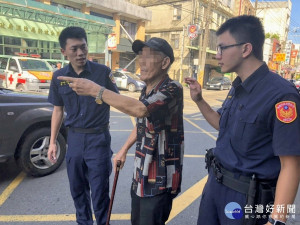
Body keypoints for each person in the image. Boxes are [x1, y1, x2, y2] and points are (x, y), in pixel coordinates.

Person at [185, 15, 300, 225]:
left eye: (222, 48)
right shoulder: (238, 86)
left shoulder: (282, 96)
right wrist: (200, 100)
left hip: (246, 198)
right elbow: (222, 125)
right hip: (215, 187)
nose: (217, 55)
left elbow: (291, 164)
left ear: (246, 49)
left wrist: (277, 220)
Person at [57, 37, 184, 225]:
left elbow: (140, 110)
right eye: (141, 56)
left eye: (149, 57)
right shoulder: (147, 90)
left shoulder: (173, 88)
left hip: (160, 180)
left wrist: (96, 90)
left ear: (165, 63)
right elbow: (142, 122)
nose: (141, 61)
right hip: (141, 175)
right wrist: (123, 150)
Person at [47, 26, 119, 225]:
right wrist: (52, 142)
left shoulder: (102, 73)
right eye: (74, 49)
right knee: (78, 191)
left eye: (83, 47)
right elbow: (58, 110)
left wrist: (97, 91)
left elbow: (116, 100)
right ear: (64, 52)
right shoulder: (59, 77)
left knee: (100, 192)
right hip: (75, 139)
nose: (80, 53)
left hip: (98, 139)